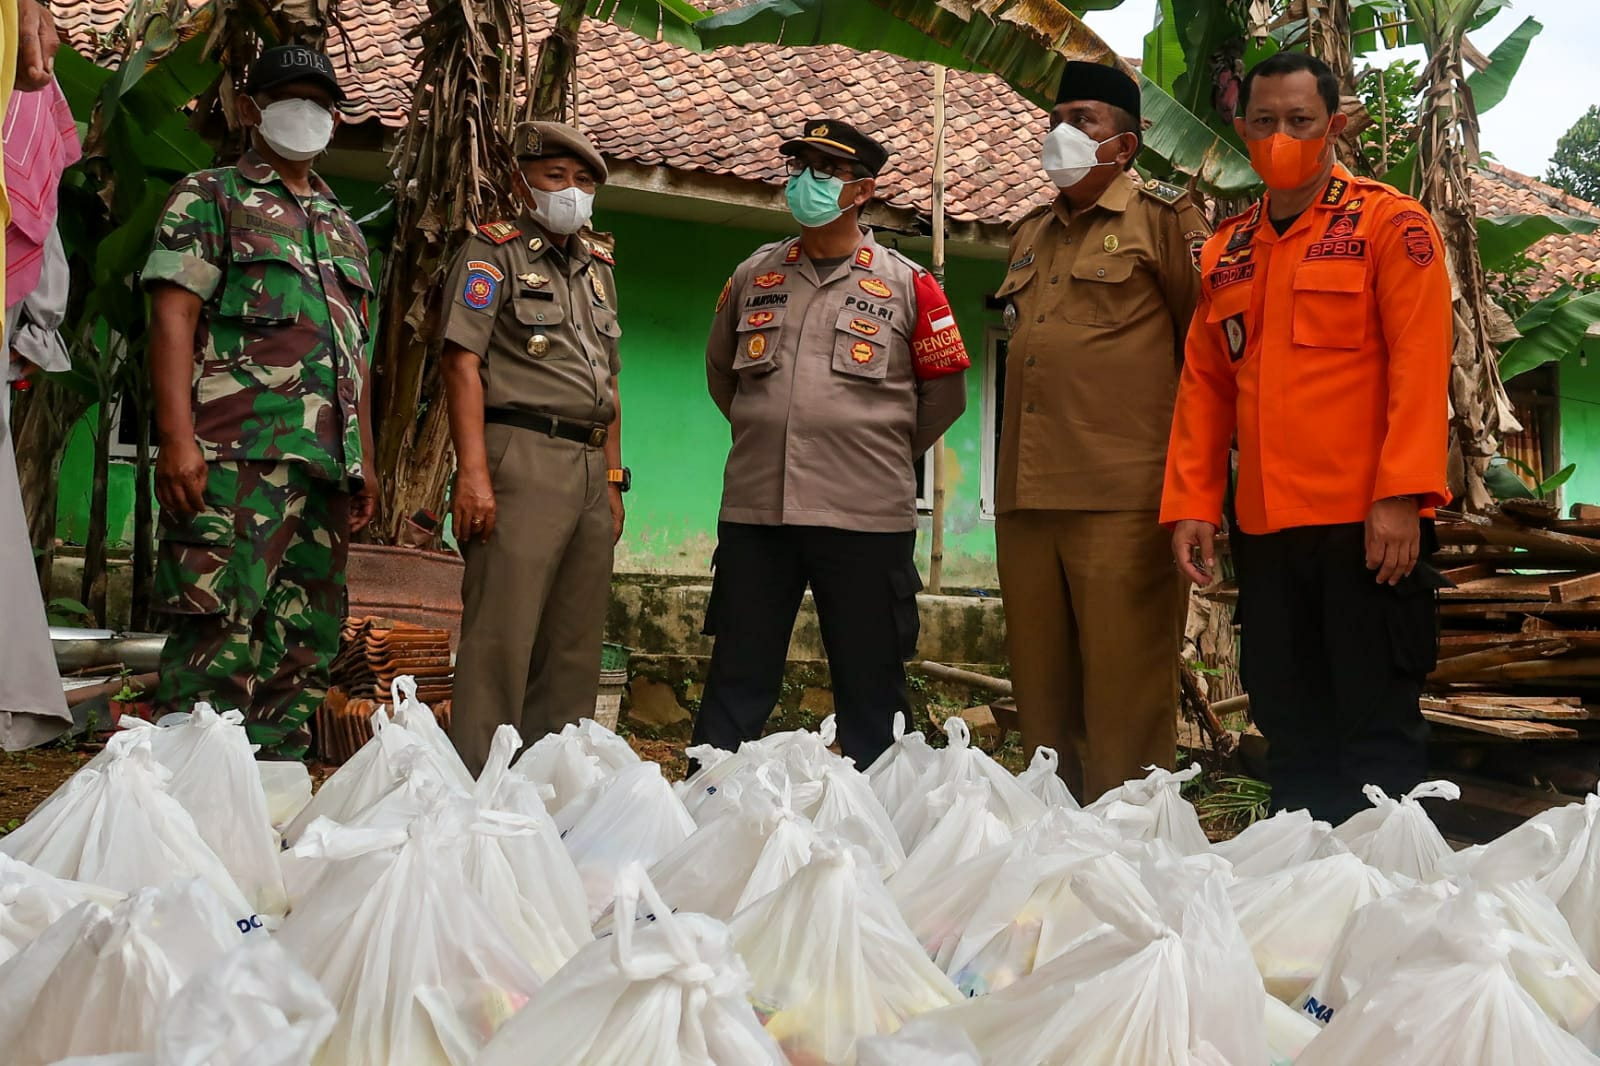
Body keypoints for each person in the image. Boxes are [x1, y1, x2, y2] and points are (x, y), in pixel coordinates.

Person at [1163, 52, 1451, 824]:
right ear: (1241, 128)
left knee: (1376, 735)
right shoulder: (1228, 249)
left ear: (1335, 125)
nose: (1281, 134)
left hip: (1367, 530)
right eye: (1265, 121)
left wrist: (1400, 495)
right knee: (1291, 730)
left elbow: (1422, 368)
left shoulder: (1392, 224)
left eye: (1300, 120)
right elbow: (1206, 385)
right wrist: (1193, 501)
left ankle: (1385, 910)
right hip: (1266, 532)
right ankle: (1304, 909)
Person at [694, 118, 970, 770]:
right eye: (798, 167)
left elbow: (947, 396)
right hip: (758, 513)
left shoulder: (910, 286)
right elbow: (721, 377)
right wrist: (775, 435)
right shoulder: (753, 275)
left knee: (872, 692)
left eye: (823, 171)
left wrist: (872, 454)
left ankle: (885, 836)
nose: (803, 182)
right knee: (736, 679)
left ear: (862, 189)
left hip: (866, 517)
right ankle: (700, 816)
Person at [144, 45, 376, 759]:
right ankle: (185, 812)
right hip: (232, 455)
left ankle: (267, 806)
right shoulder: (209, 195)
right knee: (218, 633)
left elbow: (353, 351)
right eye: (287, 97)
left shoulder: (344, 227)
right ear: (250, 109)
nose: (304, 113)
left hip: (325, 468)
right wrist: (176, 439)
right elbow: (173, 316)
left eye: (317, 100)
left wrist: (363, 459)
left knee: (302, 643)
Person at [993, 61, 1210, 804]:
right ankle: (1052, 854)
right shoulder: (1028, 234)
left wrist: (1199, 493)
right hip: (1025, 498)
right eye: (1057, 117)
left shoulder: (1161, 225)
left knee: (1124, 697)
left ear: (1128, 139)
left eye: (1082, 118)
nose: (1063, 132)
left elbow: (1207, 360)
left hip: (1124, 498)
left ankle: (1130, 856)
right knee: (1042, 697)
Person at [438, 121, 626, 775]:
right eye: (556, 178)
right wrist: (474, 475)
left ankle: (551, 788)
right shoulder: (494, 255)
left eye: (583, 182)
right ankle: (475, 787)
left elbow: (611, 380)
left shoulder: (599, 270)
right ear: (521, 180)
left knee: (573, 645)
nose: (571, 192)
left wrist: (613, 477)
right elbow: (462, 363)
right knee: (502, 637)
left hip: (587, 464)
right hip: (520, 454)